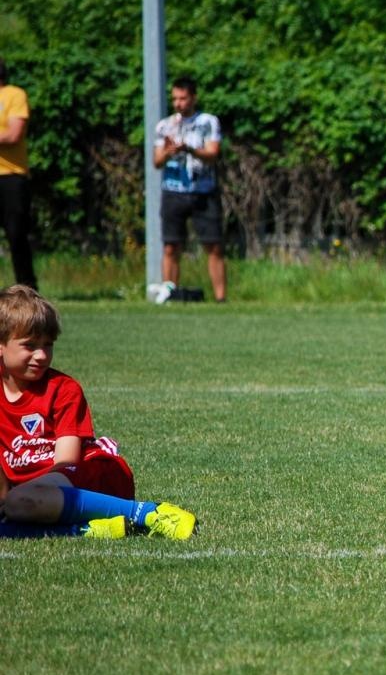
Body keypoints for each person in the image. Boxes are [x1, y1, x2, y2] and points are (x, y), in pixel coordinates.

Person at [0, 285, 196, 541]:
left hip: (91, 474)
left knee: (20, 502)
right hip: (35, 494)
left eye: (48, 345)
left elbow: (65, 464)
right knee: (16, 506)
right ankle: (86, 530)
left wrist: (16, 498)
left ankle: (149, 512)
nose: (41, 355)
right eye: (30, 345)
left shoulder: (64, 390)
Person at [153, 76, 226, 302]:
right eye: (175, 98)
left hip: (203, 192)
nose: (178, 103)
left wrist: (190, 149)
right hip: (173, 191)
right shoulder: (165, 125)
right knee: (171, 246)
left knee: (213, 245)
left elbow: (213, 154)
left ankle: (221, 299)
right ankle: (169, 295)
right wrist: (169, 152)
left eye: (183, 98)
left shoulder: (207, 122)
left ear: (193, 98)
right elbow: (156, 162)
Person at [0, 58, 36, 290]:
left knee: (16, 235)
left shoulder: (14, 94)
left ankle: (27, 290)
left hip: (10, 176)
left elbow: (14, 135)